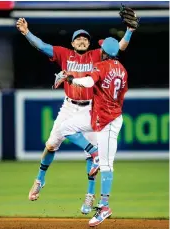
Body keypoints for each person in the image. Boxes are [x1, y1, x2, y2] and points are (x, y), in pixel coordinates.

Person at [16, 17, 132, 214]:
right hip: (69, 106)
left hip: (91, 107)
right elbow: (42, 46)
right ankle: (40, 179)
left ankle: (89, 195)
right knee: (51, 144)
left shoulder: (97, 55)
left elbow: (118, 47)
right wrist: (27, 33)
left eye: (85, 39)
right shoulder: (64, 54)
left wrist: (129, 31)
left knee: (92, 155)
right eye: (78, 38)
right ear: (72, 43)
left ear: (89, 43)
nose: (82, 41)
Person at [56, 36, 128, 226]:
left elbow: (88, 83)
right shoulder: (122, 70)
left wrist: (71, 78)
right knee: (65, 127)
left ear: (105, 52)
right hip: (99, 115)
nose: (100, 50)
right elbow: (121, 94)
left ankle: (104, 206)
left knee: (107, 165)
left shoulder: (101, 67)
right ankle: (93, 153)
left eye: (102, 48)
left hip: (108, 121)